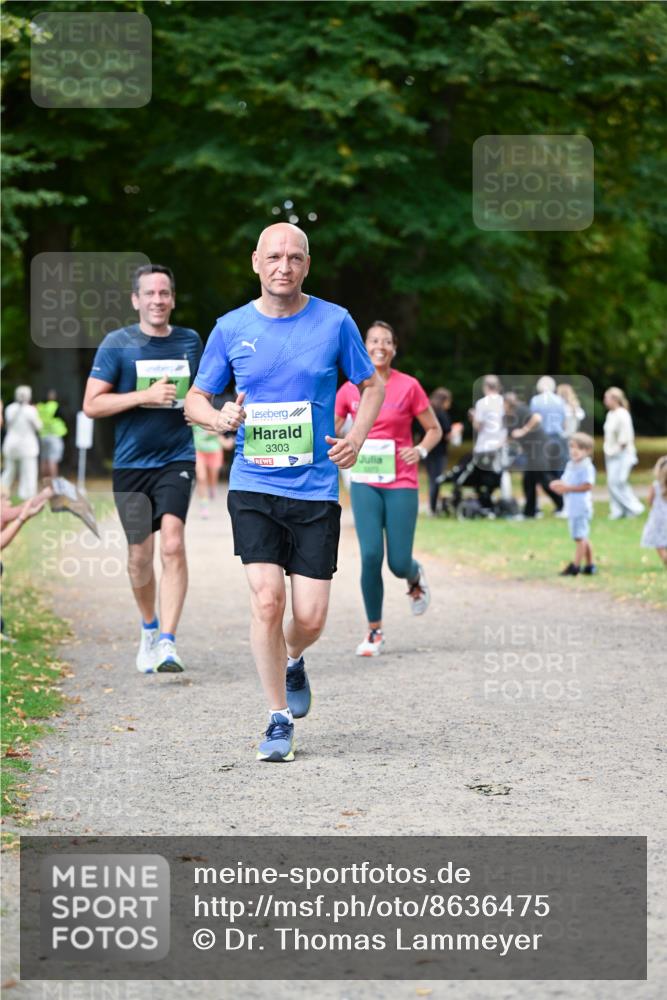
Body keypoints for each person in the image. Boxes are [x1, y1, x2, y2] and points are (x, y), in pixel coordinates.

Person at [184, 223, 384, 763]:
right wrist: (218, 416)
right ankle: (277, 720)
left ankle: (293, 656)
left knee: (311, 616)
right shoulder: (231, 327)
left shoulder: (335, 321)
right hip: (254, 484)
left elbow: (372, 386)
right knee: (267, 600)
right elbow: (194, 400)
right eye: (274, 256)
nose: (283, 266)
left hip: (316, 489)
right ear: (256, 262)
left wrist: (357, 435)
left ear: (307, 265)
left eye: (295, 257)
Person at [83, 264, 202, 674]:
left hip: (176, 458)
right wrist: (142, 396)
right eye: (149, 293)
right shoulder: (118, 344)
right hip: (131, 463)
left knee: (172, 542)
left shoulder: (189, 341)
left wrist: (199, 410)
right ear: (136, 300)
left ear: (172, 298)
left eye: (164, 293)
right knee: (139, 555)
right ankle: (149, 629)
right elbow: (92, 404)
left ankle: (168, 641)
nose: (157, 300)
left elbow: (202, 391)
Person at [335, 321, 441, 657]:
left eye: (387, 341)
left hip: (401, 481)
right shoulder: (350, 388)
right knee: (369, 555)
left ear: (394, 348)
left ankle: (412, 574)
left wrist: (420, 450)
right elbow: (333, 427)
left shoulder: (409, 386)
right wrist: (338, 435)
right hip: (364, 480)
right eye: (374, 340)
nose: (380, 346)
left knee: (396, 561)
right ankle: (374, 631)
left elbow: (434, 429)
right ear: (364, 346)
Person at [551, 433, 597, 576]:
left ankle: (575, 566)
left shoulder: (586, 467)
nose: (574, 451)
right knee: (582, 536)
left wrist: (568, 489)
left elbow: (588, 486)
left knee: (579, 538)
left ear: (587, 451)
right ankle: (590, 565)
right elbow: (566, 482)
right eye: (572, 447)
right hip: (571, 506)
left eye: (579, 448)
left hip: (581, 507)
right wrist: (557, 485)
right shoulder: (571, 465)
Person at [525, 376, 568, 516]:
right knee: (556, 473)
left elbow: (533, 421)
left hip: (541, 440)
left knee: (539, 474)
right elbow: (564, 422)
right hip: (558, 439)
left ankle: (536, 507)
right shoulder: (560, 400)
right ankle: (561, 505)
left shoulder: (536, 401)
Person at [603, 387, 644, 520]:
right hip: (610, 454)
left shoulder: (623, 414)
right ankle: (619, 510)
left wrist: (614, 451)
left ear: (615, 399)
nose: (604, 401)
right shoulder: (610, 414)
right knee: (612, 483)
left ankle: (634, 508)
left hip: (623, 454)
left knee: (619, 481)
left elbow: (625, 439)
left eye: (607, 398)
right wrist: (608, 451)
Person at [467, 375, 506, 510]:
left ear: (486, 387)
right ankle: (494, 500)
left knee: (481, 476)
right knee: (498, 474)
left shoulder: (482, 403)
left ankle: (484, 501)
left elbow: (478, 426)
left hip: (484, 445)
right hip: (500, 443)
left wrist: (473, 417)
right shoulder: (504, 402)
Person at [1, 386, 42, 500]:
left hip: (11, 444)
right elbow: (39, 426)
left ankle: (2, 492)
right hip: (27, 445)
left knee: (9, 471)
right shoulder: (30, 410)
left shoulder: (10, 408)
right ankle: (27, 495)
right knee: (29, 472)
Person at [424, 387, 453, 515]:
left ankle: (432, 505)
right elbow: (447, 433)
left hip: (427, 450)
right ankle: (433, 508)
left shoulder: (427, 412)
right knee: (436, 479)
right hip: (439, 451)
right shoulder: (442, 414)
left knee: (431, 479)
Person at [640, 456, 667, 568]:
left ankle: (665, 558)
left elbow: (649, 500)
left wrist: (653, 508)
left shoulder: (656, 485)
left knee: (658, 541)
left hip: (658, 517)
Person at [193, 425, 225, 518]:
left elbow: (221, 430)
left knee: (213, 477)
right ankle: (204, 506)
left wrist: (215, 433)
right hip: (198, 451)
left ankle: (212, 488)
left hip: (214, 450)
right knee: (201, 477)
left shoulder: (215, 413)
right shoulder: (194, 417)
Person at [37, 389, 68, 479]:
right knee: (53, 459)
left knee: (44, 459)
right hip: (54, 435)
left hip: (43, 435)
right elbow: (64, 417)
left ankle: (44, 481)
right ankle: (53, 482)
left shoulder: (40, 407)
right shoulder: (55, 406)